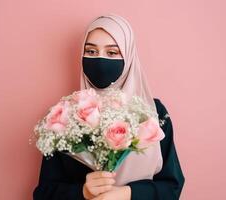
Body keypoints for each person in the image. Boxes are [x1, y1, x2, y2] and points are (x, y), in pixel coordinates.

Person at [33, 14, 185, 200]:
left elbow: (172, 186)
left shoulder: (153, 113)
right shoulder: (64, 115)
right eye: (91, 51)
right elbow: (44, 193)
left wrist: (127, 194)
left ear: (128, 56)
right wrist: (83, 192)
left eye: (112, 53)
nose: (100, 60)